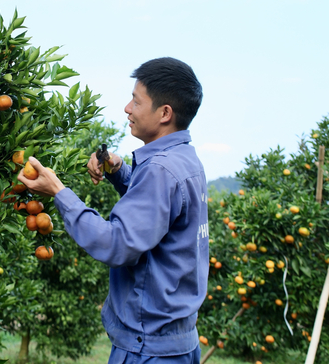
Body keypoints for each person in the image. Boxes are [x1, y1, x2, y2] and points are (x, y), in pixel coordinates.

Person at [18, 57, 209, 364]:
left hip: (148, 349)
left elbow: (117, 244)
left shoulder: (161, 169)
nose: (127, 109)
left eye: (136, 101)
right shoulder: (185, 159)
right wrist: (119, 171)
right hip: (177, 341)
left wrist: (59, 192)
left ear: (164, 113)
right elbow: (159, 211)